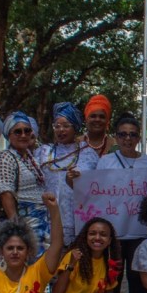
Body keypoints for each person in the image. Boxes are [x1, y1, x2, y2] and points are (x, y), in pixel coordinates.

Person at [96, 113, 147, 293]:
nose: (128, 139)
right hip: (114, 231)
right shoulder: (105, 162)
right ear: (116, 137)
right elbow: (96, 193)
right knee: (112, 278)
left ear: (139, 137)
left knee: (137, 279)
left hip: (139, 231)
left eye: (132, 134)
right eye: (123, 134)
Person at [36, 101, 96, 245]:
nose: (60, 130)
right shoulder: (43, 152)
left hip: (76, 219)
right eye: (57, 126)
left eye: (65, 126)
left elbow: (95, 187)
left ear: (75, 127)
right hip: (47, 217)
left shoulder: (88, 153)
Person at [0, 112, 49, 255]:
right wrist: (17, 230)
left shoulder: (30, 157)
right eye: (18, 131)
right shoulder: (6, 157)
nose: (23, 135)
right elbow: (5, 193)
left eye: (27, 130)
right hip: (25, 219)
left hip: (42, 218)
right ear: (9, 135)